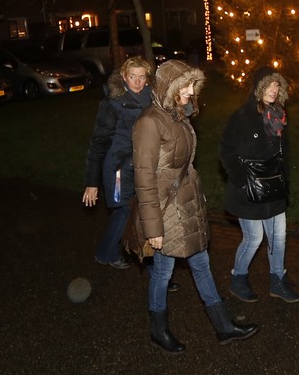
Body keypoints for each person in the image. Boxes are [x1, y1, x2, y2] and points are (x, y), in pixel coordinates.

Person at [126, 59, 259, 353]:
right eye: (185, 85)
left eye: (192, 85)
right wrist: (153, 228)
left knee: (201, 263)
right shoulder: (150, 122)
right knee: (163, 272)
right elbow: (144, 179)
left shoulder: (177, 115)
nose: (190, 91)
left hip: (185, 206)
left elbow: (184, 166)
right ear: (169, 87)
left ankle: (224, 327)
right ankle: (159, 331)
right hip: (164, 211)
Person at [219, 66, 299, 303]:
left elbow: (284, 155)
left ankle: (277, 280)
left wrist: (285, 184)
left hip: (274, 187)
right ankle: (238, 277)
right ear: (258, 87)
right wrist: (242, 182)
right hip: (249, 189)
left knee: (278, 237)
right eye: (269, 85)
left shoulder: (279, 116)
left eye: (277, 85)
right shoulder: (242, 117)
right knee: (254, 238)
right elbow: (226, 152)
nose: (273, 90)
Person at [82, 57, 154, 269]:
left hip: (143, 166)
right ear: (124, 77)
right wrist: (92, 183)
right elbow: (98, 143)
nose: (137, 82)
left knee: (133, 211)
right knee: (126, 211)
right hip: (118, 169)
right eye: (133, 77)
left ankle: (109, 253)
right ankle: (109, 254)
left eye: (142, 77)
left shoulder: (153, 99)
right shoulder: (113, 103)